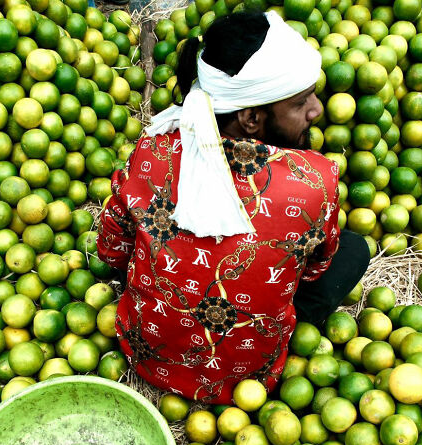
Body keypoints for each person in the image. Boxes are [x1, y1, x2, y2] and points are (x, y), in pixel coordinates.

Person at [96, 11, 370, 404]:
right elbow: (313, 272)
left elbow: (111, 250)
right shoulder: (316, 181)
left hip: (146, 351)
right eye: (299, 103)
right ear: (252, 118)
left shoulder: (153, 149)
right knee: (354, 247)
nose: (316, 110)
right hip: (245, 380)